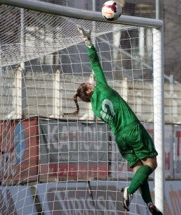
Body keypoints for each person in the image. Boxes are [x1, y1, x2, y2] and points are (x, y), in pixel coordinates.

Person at [64, 26, 163, 215]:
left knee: (139, 171)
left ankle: (149, 204)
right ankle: (129, 191)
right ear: (89, 90)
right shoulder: (101, 87)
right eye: (89, 84)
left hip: (119, 138)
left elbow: (92, 86)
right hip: (132, 129)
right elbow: (95, 62)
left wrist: (89, 83)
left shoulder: (94, 107)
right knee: (151, 164)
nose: (92, 82)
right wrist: (88, 43)